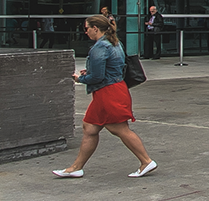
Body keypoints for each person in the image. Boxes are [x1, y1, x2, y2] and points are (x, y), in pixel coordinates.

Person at [53, 15, 156, 179]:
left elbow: (97, 77)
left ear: (95, 28)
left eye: (86, 28)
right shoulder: (114, 43)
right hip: (114, 90)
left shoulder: (99, 47)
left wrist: (80, 79)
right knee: (90, 128)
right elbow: (113, 68)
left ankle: (146, 161)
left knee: (120, 129)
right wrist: (91, 73)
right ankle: (76, 167)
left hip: (107, 93)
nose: (85, 32)